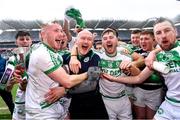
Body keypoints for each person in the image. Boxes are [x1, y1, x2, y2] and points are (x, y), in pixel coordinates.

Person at [102, 17, 180, 120]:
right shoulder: (159, 56)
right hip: (169, 104)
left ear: (176, 32)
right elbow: (138, 78)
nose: (163, 35)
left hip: (156, 93)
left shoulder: (155, 54)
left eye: (167, 31)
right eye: (158, 33)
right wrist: (113, 78)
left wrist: (150, 54)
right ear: (156, 37)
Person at [23, 21, 89, 119]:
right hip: (41, 111)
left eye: (62, 31)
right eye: (56, 30)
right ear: (43, 34)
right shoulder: (42, 54)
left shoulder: (44, 49)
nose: (61, 34)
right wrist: (88, 74)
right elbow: (68, 82)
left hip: (54, 104)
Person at [132, 30, 163, 119]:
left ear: (154, 40)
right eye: (141, 39)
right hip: (139, 90)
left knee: (151, 118)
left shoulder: (161, 54)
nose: (142, 41)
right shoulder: (136, 53)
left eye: (146, 39)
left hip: (155, 91)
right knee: (140, 117)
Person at [9, 31, 33, 120]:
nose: (25, 41)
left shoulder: (38, 55)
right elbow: (7, 86)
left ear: (31, 41)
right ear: (16, 42)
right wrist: (11, 82)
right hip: (22, 96)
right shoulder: (13, 59)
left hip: (37, 95)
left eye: (27, 39)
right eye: (21, 39)